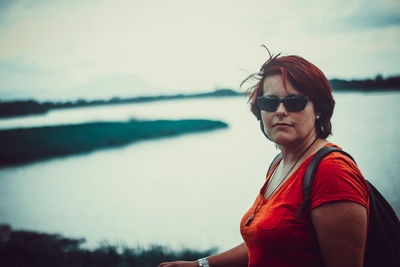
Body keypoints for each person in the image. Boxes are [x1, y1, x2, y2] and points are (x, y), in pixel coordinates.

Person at [159, 51, 369, 267]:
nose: (280, 111)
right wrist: (200, 265)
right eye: (269, 102)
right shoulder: (280, 163)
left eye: (294, 102)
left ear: (318, 109)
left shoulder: (333, 172)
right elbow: (266, 245)